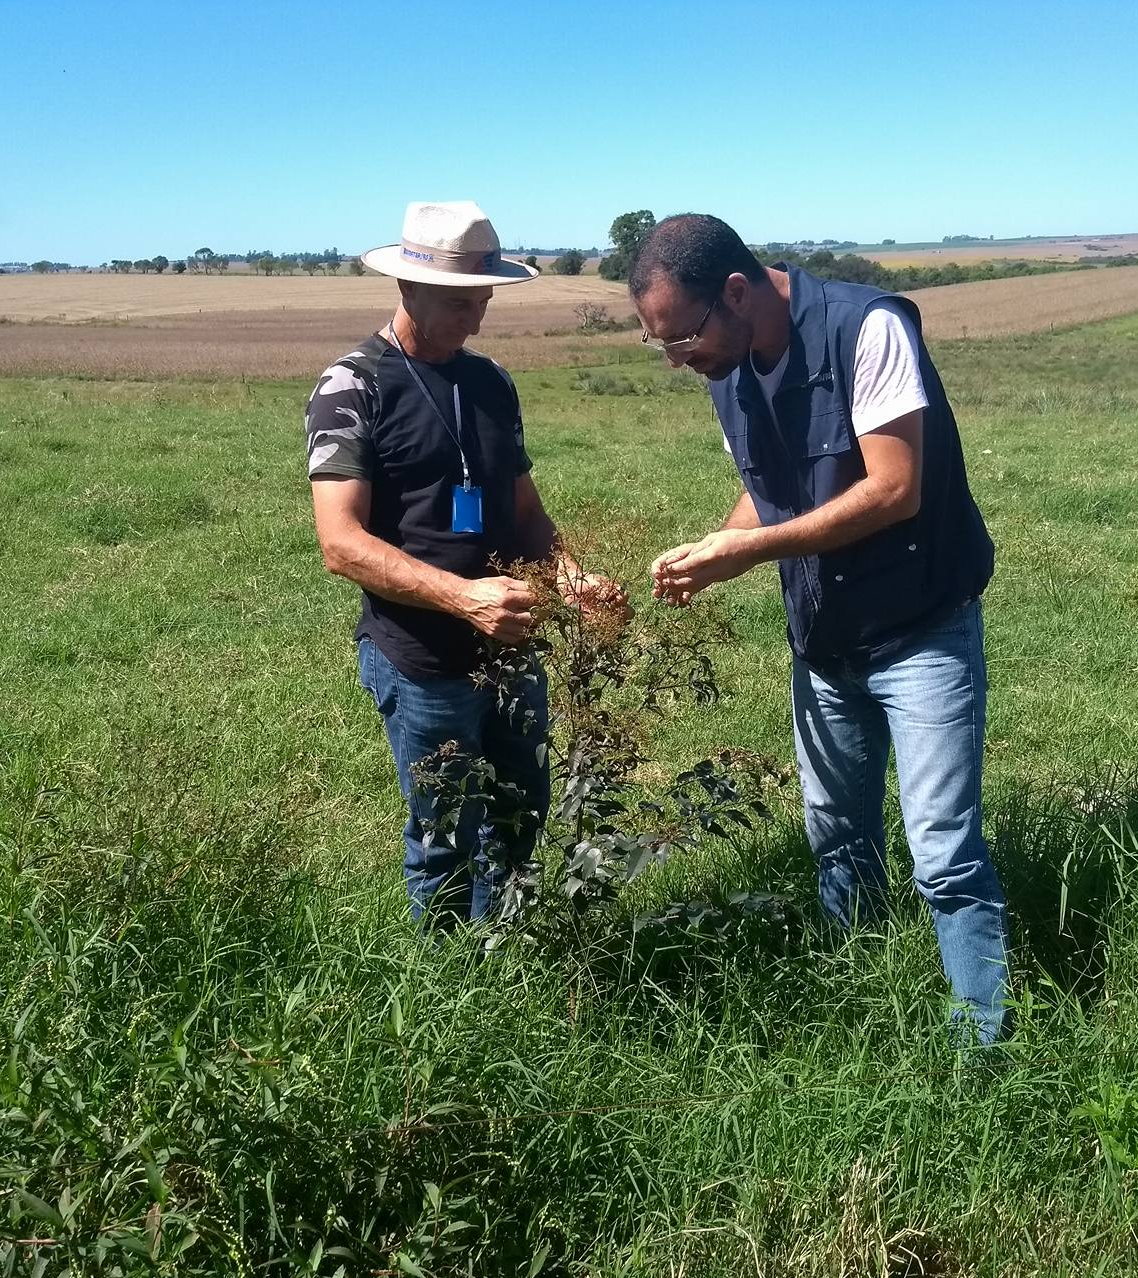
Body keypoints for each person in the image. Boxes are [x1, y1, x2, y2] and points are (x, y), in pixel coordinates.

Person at [629, 214, 1009, 1043]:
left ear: (736, 292)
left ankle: (982, 1046)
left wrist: (749, 551)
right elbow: (768, 489)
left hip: (920, 632)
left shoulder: (866, 328)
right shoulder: (727, 368)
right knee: (836, 839)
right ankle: (858, 1005)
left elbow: (894, 489)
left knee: (943, 855)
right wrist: (719, 545)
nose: (678, 360)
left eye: (684, 337)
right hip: (823, 640)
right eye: (660, 343)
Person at [308, 201, 615, 927]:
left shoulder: (492, 383)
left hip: (512, 651)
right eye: (459, 303)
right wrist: (463, 598)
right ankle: (447, 980)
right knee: (444, 835)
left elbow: (527, 513)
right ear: (408, 286)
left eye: (484, 301)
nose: (475, 319)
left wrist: (571, 578)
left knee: (520, 817)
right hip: (422, 660)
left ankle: (505, 958)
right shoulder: (353, 388)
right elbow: (340, 543)